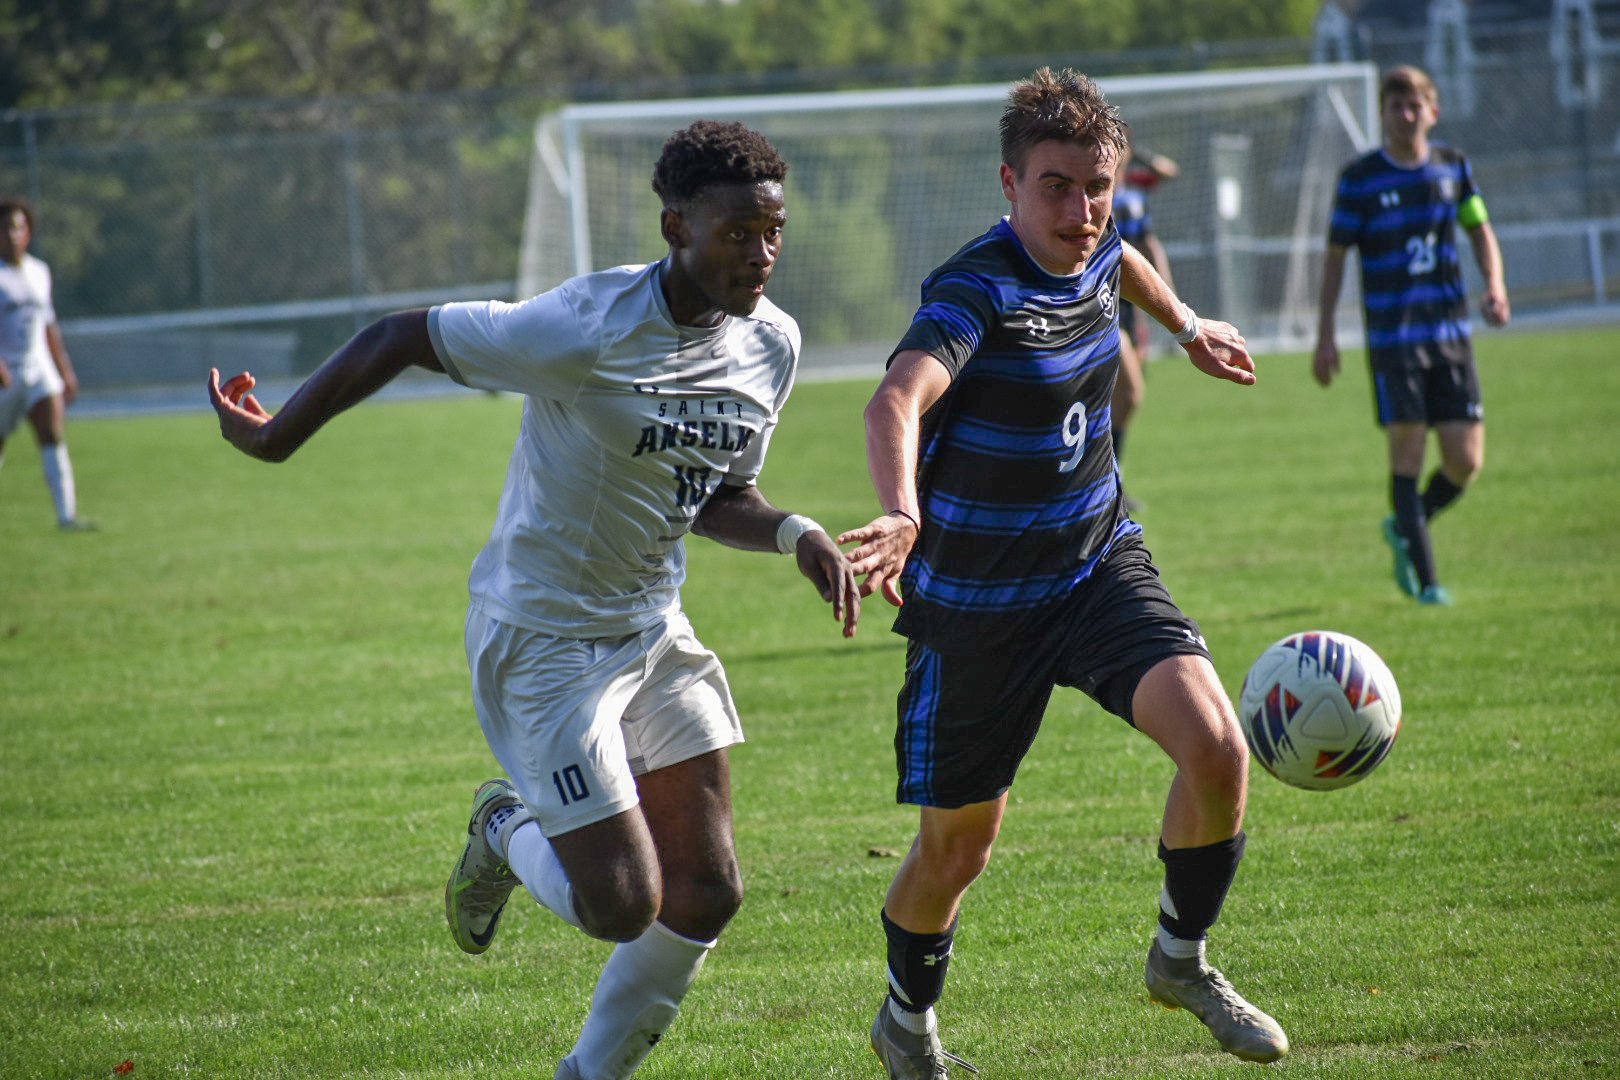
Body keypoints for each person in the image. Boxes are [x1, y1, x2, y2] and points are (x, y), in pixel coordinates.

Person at [208, 120, 860, 1080]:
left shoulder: (773, 344)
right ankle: (503, 827)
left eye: (773, 233)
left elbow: (719, 496)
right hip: (543, 637)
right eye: (735, 234)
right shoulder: (584, 328)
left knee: (710, 891)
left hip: (652, 629)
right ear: (676, 226)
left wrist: (795, 532)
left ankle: (586, 1074)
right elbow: (403, 335)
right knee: (621, 906)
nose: (760, 255)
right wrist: (275, 438)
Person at [838, 68, 1288, 1077]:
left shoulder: (1098, 244)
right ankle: (904, 1021)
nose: (1080, 212)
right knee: (956, 854)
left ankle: (1181, 960)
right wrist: (904, 511)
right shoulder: (977, 288)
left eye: (1097, 188)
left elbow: (1120, 264)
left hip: (1095, 567)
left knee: (1218, 748)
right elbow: (892, 404)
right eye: (1055, 187)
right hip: (979, 608)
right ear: (1009, 183)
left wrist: (1187, 327)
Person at [1314, 64, 1509, 606]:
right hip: (1394, 341)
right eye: (1394, 105)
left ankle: (1407, 523)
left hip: (1449, 334)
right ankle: (1429, 585)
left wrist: (1494, 283)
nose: (1404, 114)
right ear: (1383, 113)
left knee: (1466, 460)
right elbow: (1334, 259)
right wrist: (1326, 333)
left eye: (1413, 104)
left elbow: (1480, 229)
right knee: (1408, 450)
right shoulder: (1360, 179)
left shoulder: (1453, 168)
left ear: (1432, 111)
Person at [0, 198, 94, 530]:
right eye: (6, 227)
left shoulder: (39, 271)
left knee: (52, 434)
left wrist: (65, 370)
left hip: (38, 368)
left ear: (27, 232)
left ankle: (66, 517)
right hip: (4, 374)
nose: (12, 234)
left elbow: (48, 325)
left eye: (18, 226)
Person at [1109, 140, 1178, 513]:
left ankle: (1110, 481)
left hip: (1131, 308)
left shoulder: (1132, 193)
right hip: (1105, 308)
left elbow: (1146, 247)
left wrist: (1169, 301)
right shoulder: (1094, 197)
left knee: (1125, 396)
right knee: (1128, 392)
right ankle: (1104, 483)